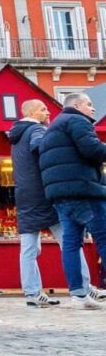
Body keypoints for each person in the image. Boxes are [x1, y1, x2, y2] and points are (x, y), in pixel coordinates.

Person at [9, 98, 97, 307]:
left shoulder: (15, 135)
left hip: (25, 196)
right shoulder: (37, 130)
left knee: (29, 249)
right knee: (70, 241)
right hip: (45, 195)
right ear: (32, 112)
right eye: (44, 109)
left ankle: (32, 293)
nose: (48, 113)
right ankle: (85, 287)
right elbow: (42, 148)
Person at [40, 92, 106, 310]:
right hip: (84, 190)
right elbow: (92, 149)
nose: (93, 109)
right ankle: (81, 294)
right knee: (103, 238)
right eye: (89, 104)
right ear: (76, 105)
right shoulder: (77, 121)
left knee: (70, 244)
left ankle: (78, 295)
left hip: (60, 195)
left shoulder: (52, 129)